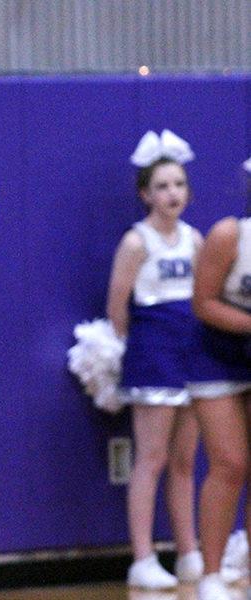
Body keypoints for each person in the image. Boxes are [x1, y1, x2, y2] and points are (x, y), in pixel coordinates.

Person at [106, 129, 203, 590]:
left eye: (179, 184)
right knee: (152, 457)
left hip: (193, 356)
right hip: (152, 357)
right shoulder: (136, 242)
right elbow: (117, 307)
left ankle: (189, 552)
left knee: (186, 460)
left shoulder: (196, 239)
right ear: (145, 193)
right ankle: (143, 557)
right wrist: (140, 350)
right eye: (163, 186)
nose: (172, 194)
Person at [190, 157, 251, 600]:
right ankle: (211, 575)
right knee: (230, 463)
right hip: (217, 355)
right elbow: (204, 302)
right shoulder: (231, 234)